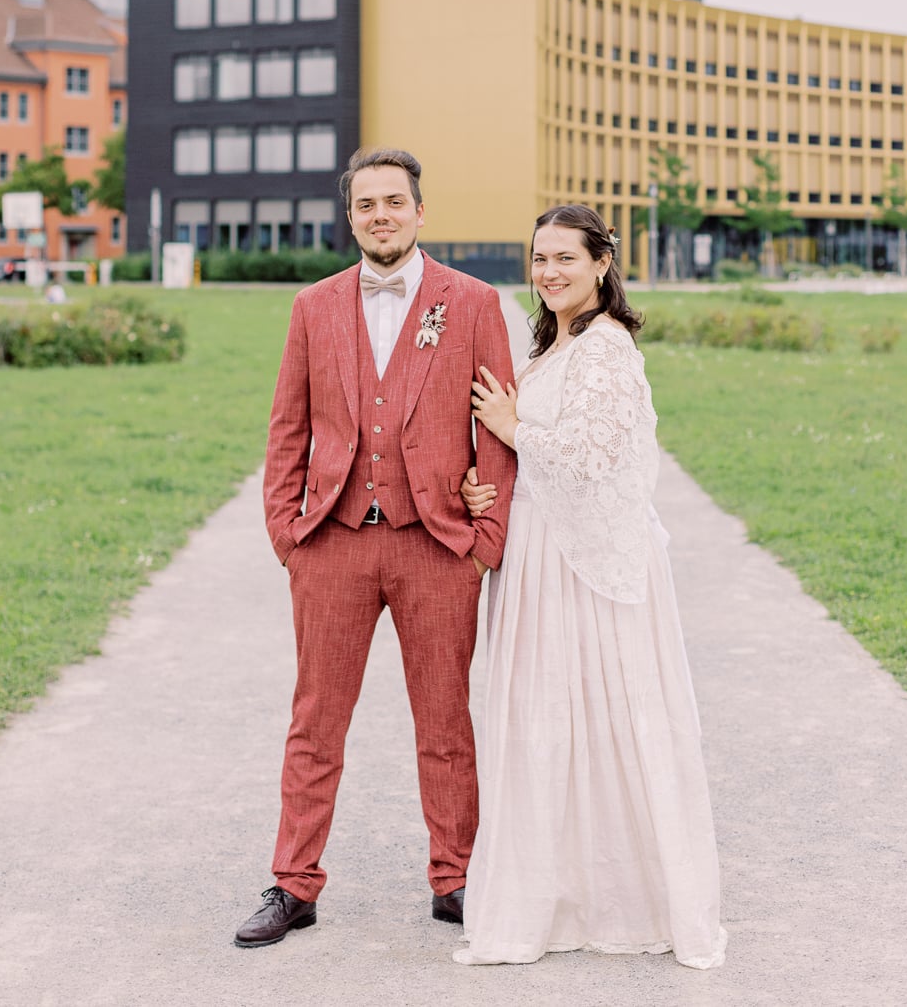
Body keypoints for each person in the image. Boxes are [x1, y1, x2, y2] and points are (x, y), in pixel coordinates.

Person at [234, 147, 518, 949]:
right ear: (350, 215)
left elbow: (496, 426)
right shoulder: (312, 306)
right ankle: (294, 883)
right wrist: (288, 535)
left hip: (438, 547)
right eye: (367, 204)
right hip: (331, 544)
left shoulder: (471, 301)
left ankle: (455, 876)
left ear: (420, 212)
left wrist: (484, 542)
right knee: (316, 719)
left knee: (445, 720)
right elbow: (287, 426)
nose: (382, 215)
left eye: (395, 201)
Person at [455, 203, 726, 969]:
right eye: (539, 258)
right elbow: (540, 460)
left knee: (590, 722)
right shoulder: (559, 343)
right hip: (541, 553)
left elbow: (593, 458)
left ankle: (611, 892)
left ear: (602, 263)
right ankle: (562, 886)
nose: (548, 272)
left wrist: (512, 429)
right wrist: (490, 488)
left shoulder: (605, 347)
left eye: (565, 258)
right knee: (550, 724)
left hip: (579, 568)